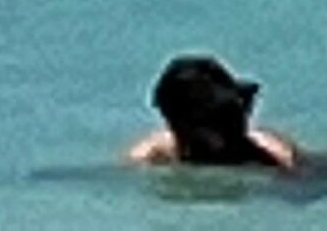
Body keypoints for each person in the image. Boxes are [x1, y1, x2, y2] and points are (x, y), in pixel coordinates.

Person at [128, 54, 304, 172]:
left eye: (241, 108)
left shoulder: (272, 155)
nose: (245, 117)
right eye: (226, 114)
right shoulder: (154, 153)